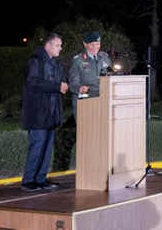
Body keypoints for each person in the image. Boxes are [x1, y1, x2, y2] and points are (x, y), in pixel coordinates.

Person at [21, 33, 68, 192]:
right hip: (38, 114)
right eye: (58, 45)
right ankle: (28, 181)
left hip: (52, 113)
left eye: (60, 45)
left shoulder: (56, 64)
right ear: (48, 46)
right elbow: (32, 83)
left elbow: (62, 81)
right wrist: (56, 86)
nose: (60, 48)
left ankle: (40, 179)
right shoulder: (34, 61)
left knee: (47, 149)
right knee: (37, 147)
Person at [68, 31, 113, 120]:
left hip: (103, 101)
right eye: (92, 44)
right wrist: (80, 88)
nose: (95, 47)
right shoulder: (78, 61)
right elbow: (73, 83)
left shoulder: (105, 58)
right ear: (85, 44)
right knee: (86, 132)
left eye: (97, 44)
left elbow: (110, 76)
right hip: (86, 102)